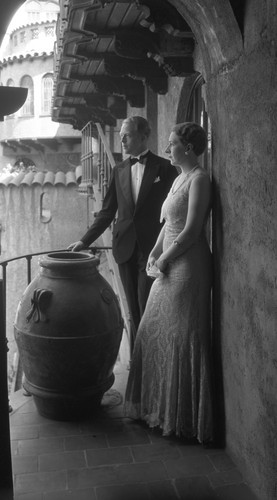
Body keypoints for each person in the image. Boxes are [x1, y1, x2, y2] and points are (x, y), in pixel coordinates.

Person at [124, 122, 213, 444]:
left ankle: (184, 418)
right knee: (151, 331)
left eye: (172, 143)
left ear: (188, 148)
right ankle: (157, 409)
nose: (167, 149)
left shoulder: (200, 179)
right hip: (169, 260)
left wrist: (164, 259)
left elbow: (191, 230)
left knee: (181, 336)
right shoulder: (179, 179)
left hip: (189, 265)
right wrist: (153, 252)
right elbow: (167, 225)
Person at [68, 116, 177, 353]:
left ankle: (153, 355)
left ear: (143, 136)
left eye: (126, 135)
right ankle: (139, 360)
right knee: (133, 310)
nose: (122, 140)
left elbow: (174, 211)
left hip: (153, 249)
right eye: (120, 137)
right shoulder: (119, 170)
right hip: (125, 248)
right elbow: (107, 212)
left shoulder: (165, 168)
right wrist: (84, 241)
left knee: (147, 303)